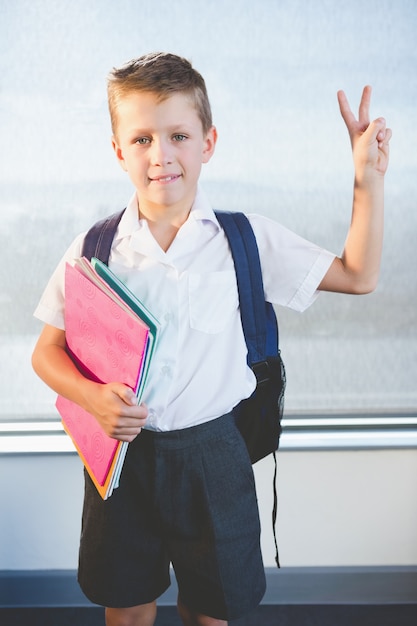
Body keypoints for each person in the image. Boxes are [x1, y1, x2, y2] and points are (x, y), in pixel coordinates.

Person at [31, 52, 391, 626]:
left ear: (209, 141)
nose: (161, 155)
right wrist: (93, 398)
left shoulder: (244, 240)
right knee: (125, 609)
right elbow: (45, 354)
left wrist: (365, 180)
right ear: (119, 149)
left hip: (215, 455)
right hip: (124, 459)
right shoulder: (92, 250)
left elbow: (359, 275)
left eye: (178, 134)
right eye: (142, 138)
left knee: (212, 610)